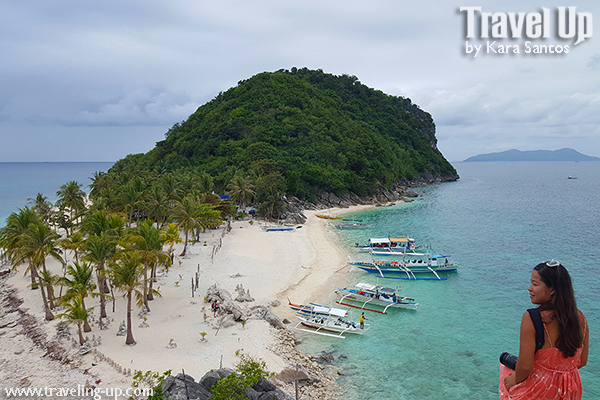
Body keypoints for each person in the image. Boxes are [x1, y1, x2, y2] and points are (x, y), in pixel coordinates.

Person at [499, 260, 589, 399]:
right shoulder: (581, 318)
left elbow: (524, 367)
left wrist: (513, 380)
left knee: (505, 376)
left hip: (541, 391)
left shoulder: (532, 319)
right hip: (570, 390)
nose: (529, 288)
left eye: (535, 284)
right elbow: (581, 362)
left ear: (552, 290)